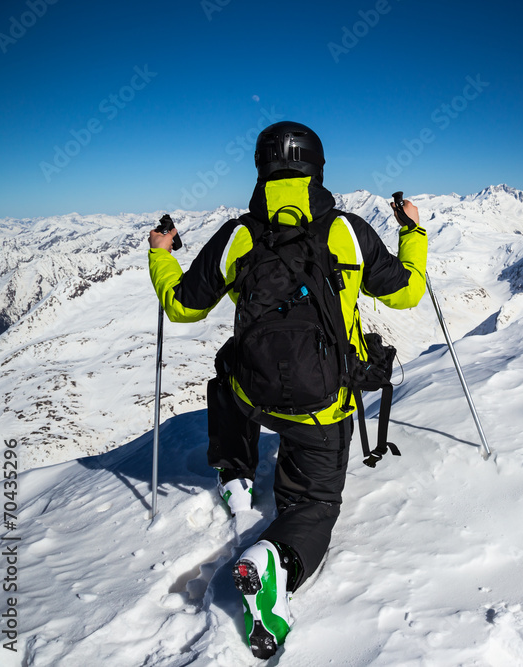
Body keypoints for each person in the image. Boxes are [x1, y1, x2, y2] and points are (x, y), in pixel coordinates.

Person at [147, 121, 427, 659]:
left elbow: (182, 306)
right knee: (316, 504)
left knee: (227, 365)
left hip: (254, 397)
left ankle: (235, 473)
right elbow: (409, 292)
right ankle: (277, 559)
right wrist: (412, 233)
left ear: (261, 170)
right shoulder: (345, 231)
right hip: (322, 409)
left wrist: (161, 253)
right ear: (317, 169)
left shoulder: (237, 235)